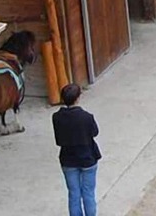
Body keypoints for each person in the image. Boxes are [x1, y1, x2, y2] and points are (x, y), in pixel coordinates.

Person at [53, 83, 101, 216]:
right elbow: (95, 132)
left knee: (74, 194)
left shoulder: (56, 117)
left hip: (68, 159)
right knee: (88, 193)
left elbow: (58, 140)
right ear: (78, 98)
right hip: (87, 158)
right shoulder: (87, 117)